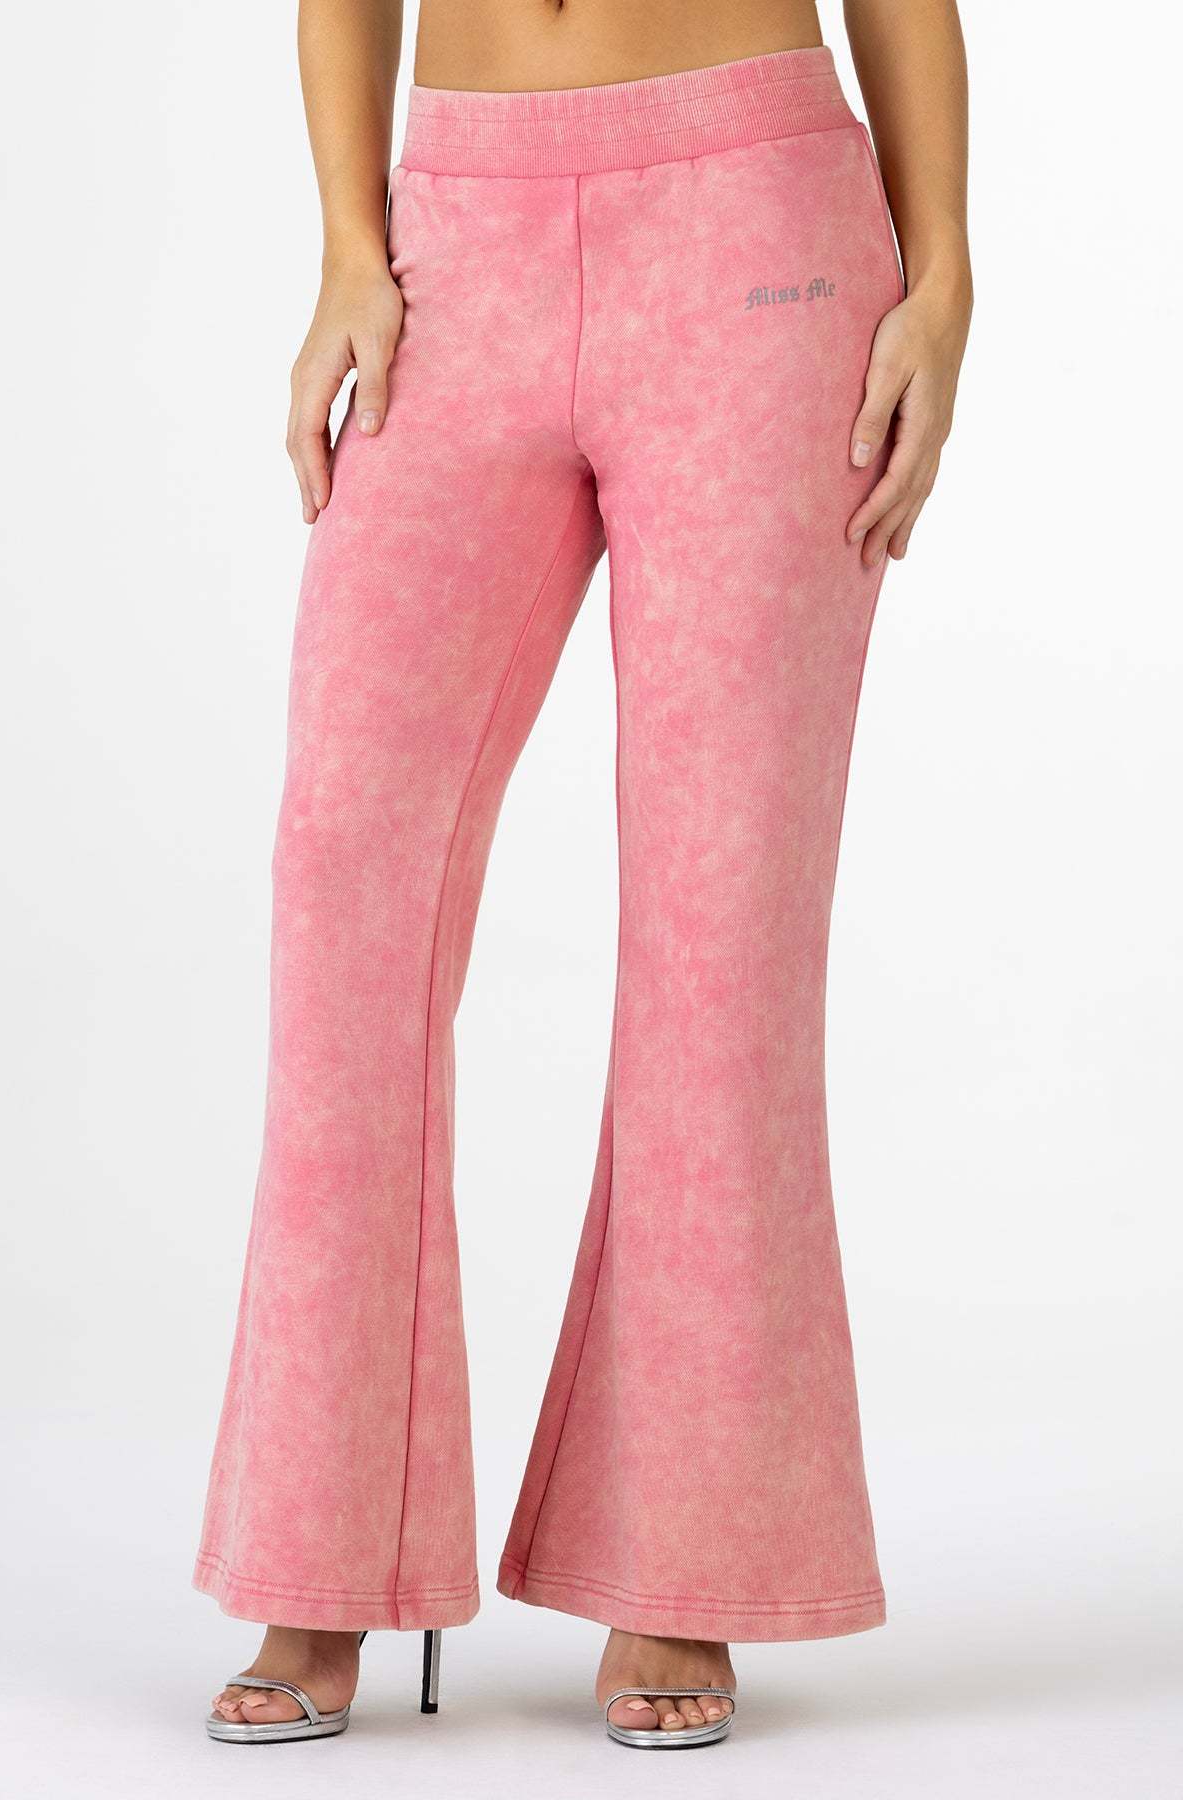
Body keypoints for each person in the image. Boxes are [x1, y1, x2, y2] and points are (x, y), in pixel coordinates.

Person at [199, 0, 971, 1748]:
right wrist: (348, 241)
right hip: (453, 237)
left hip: (754, 227)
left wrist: (943, 281)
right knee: (343, 870)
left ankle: (683, 1558)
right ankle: (322, 1543)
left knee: (723, 920)